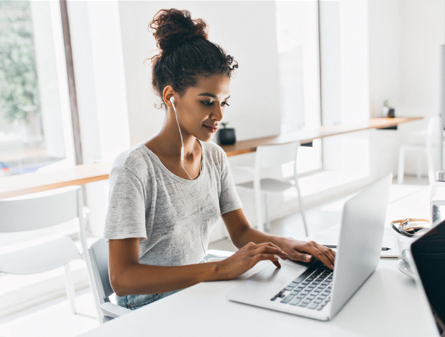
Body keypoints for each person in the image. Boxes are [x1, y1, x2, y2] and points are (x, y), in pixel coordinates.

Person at [104, 8, 336, 310]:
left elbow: (240, 232)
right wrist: (219, 269)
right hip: (149, 306)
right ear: (170, 96)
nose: (219, 115)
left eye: (223, 102)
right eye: (206, 101)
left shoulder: (213, 157)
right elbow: (122, 279)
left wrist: (289, 244)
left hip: (195, 290)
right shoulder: (134, 168)